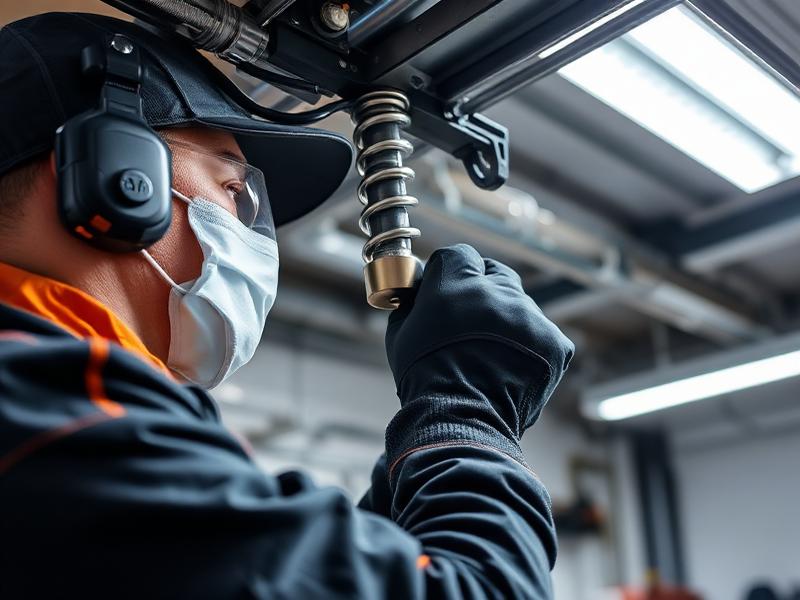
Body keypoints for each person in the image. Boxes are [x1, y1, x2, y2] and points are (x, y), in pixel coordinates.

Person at [0, 11, 574, 599]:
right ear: (116, 173)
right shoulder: (58, 408)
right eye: (232, 188)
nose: (252, 231)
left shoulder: (55, 418)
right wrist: (469, 409)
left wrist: (415, 454)